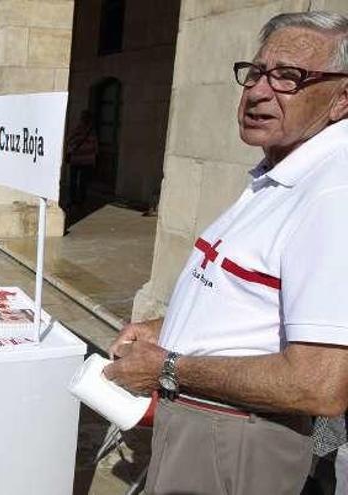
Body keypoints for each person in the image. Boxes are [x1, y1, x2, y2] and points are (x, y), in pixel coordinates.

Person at [103, 12, 348, 495]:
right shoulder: (278, 172)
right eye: (256, 72)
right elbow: (256, 305)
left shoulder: (333, 194)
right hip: (209, 430)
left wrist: (167, 365)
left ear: (342, 98)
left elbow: (320, 384)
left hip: (236, 441)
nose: (258, 91)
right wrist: (163, 329)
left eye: (289, 77)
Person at [64, 110, 97, 205]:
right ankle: (81, 200)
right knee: (83, 182)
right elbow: (95, 146)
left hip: (76, 159)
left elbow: (69, 140)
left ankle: (73, 199)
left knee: (74, 181)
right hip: (87, 160)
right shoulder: (92, 131)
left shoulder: (77, 129)